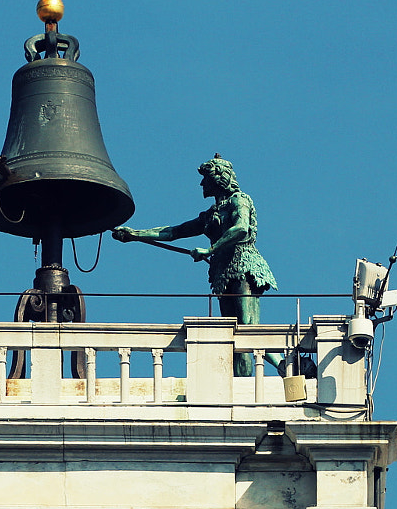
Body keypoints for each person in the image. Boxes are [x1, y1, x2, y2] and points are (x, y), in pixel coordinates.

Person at [111, 155, 278, 375]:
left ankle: (284, 364)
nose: (201, 184)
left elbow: (241, 228)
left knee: (247, 327)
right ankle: (242, 382)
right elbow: (174, 232)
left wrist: (210, 249)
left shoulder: (240, 200)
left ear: (218, 179)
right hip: (223, 273)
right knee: (232, 334)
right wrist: (136, 235)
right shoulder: (209, 215)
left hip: (244, 266)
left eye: (205, 178)